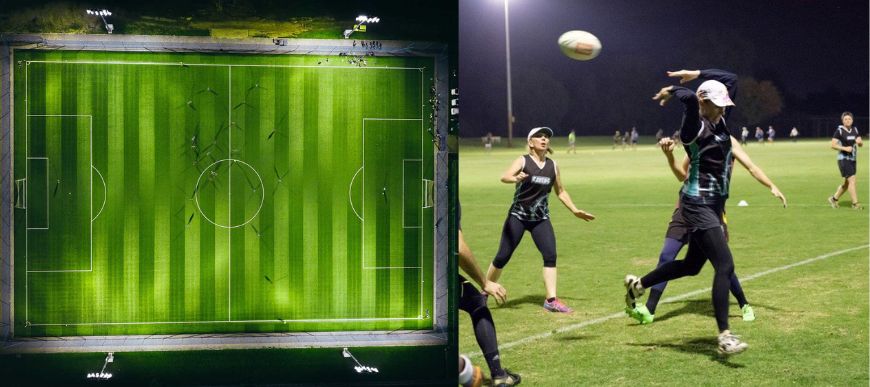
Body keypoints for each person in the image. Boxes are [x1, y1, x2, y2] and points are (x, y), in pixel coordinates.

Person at [625, 68, 787, 355]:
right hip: (696, 203)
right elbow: (688, 99)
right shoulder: (694, 127)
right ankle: (724, 335)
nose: (724, 107)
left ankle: (639, 284)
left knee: (691, 266)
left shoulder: (720, 119)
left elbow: (732, 80)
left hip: (713, 205)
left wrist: (695, 72)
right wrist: (673, 90)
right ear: (705, 104)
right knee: (724, 265)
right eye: (718, 104)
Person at [626, 137, 759, 325]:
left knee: (720, 262)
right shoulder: (696, 138)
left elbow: (724, 184)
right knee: (666, 256)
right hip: (684, 210)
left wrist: (723, 220)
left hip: (709, 211)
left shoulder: (727, 141)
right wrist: (670, 155)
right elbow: (682, 175)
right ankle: (649, 309)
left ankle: (744, 304)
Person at [486, 127, 595, 313]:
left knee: (550, 255)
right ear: (531, 142)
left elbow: (560, 191)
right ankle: (484, 290)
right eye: (539, 137)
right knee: (502, 256)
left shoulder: (553, 166)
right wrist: (514, 178)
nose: (544, 139)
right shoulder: (523, 160)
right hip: (518, 217)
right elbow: (504, 176)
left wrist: (575, 210)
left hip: (540, 219)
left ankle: (551, 300)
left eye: (546, 137)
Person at [457, 203, 521, 387]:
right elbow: (459, 247)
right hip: (428, 277)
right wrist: (485, 282)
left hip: (387, 274)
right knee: (477, 303)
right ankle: (498, 375)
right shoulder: (445, 191)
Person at [828, 112, 863, 209]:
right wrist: (845, 148)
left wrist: (860, 143)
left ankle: (834, 199)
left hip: (853, 159)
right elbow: (833, 145)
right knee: (852, 180)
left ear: (852, 120)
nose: (847, 120)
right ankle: (855, 204)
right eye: (845, 119)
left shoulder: (855, 130)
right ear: (842, 121)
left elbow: (860, 142)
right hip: (843, 159)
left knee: (847, 184)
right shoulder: (839, 131)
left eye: (849, 119)